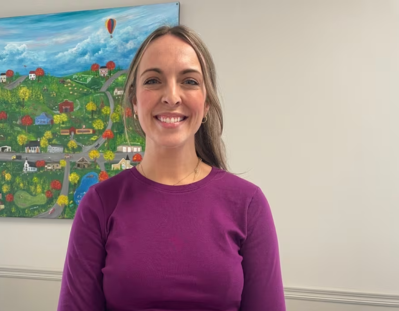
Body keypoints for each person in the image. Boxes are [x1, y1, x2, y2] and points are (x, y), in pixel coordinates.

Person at [58, 25, 286, 311]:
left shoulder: (248, 204)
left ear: (206, 104)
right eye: (153, 80)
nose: (172, 96)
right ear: (134, 103)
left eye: (189, 81)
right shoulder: (100, 204)